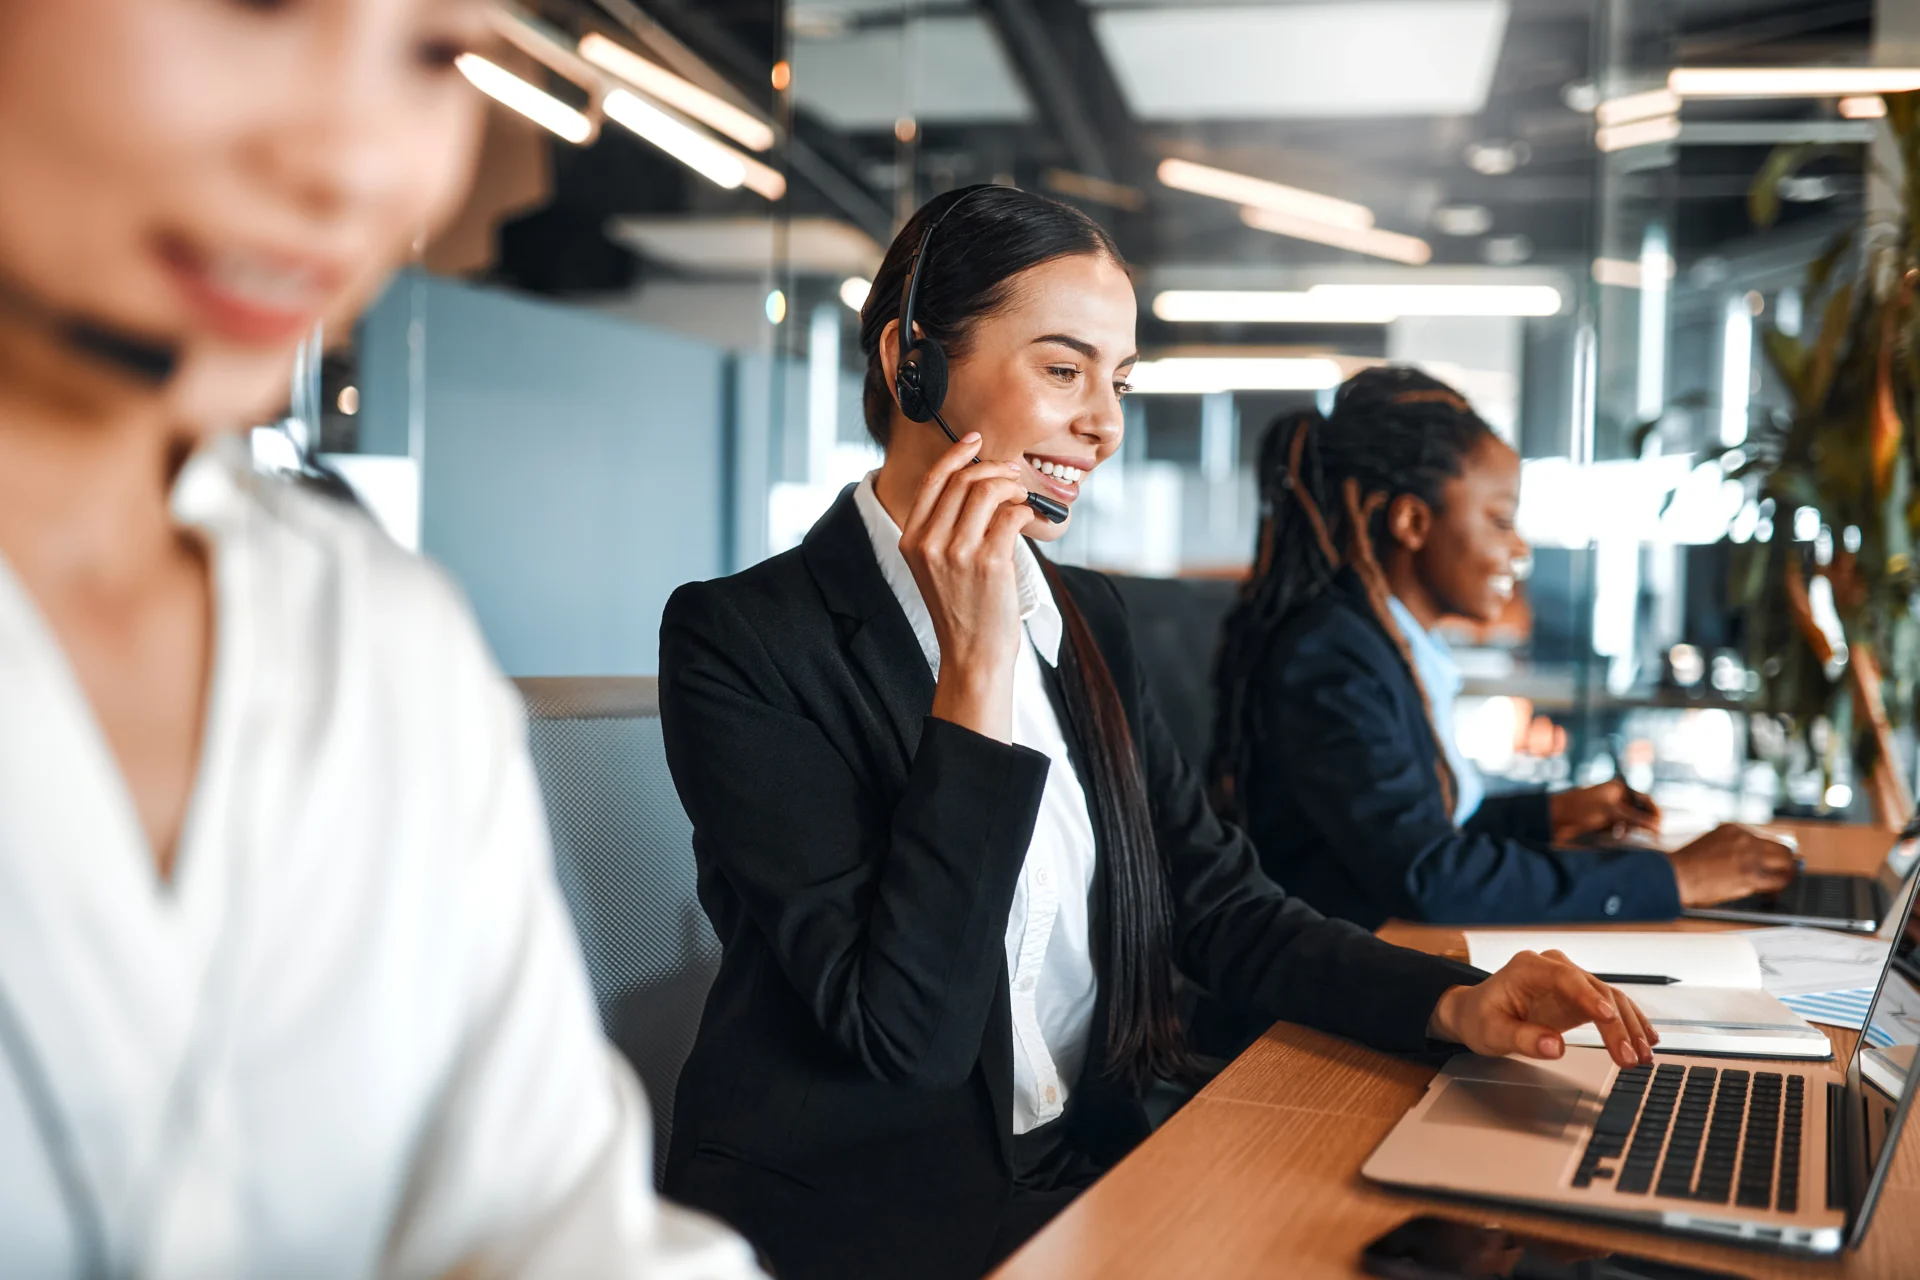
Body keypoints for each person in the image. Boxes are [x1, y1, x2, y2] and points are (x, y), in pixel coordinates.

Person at [655, 184, 1658, 1280]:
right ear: (913, 365)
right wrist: (976, 669)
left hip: (1089, 1163)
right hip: (873, 1214)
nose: (1106, 422)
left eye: (1119, 380)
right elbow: (910, 1038)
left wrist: (1454, 999)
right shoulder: (744, 637)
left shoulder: (1086, 619)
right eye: (1062, 367)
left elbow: (1219, 903)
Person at [0, 1, 757, 1274]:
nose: (354, 161)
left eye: (435, 54)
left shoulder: (380, 637)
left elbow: (552, 1226)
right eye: (248, 9)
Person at [1208, 368, 1799, 931]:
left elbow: (1419, 827)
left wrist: (1549, 815)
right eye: (1500, 520)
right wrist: (1674, 877)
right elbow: (1428, 873)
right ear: (1412, 521)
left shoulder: (1386, 645)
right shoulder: (1332, 657)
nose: (1520, 549)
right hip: (1321, 998)